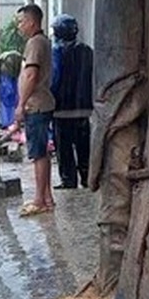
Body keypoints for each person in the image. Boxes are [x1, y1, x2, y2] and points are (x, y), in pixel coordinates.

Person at [14, 4, 56, 216]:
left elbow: (31, 75)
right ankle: (46, 197)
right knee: (43, 152)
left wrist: (21, 104)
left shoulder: (34, 43)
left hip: (36, 104)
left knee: (38, 153)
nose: (19, 26)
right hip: (42, 103)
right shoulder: (42, 42)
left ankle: (40, 200)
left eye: (21, 22)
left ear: (31, 22)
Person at [50, 14, 94, 189]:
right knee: (84, 146)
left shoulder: (56, 52)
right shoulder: (87, 51)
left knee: (64, 148)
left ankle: (68, 180)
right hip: (84, 108)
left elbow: (54, 78)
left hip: (62, 109)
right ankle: (87, 177)